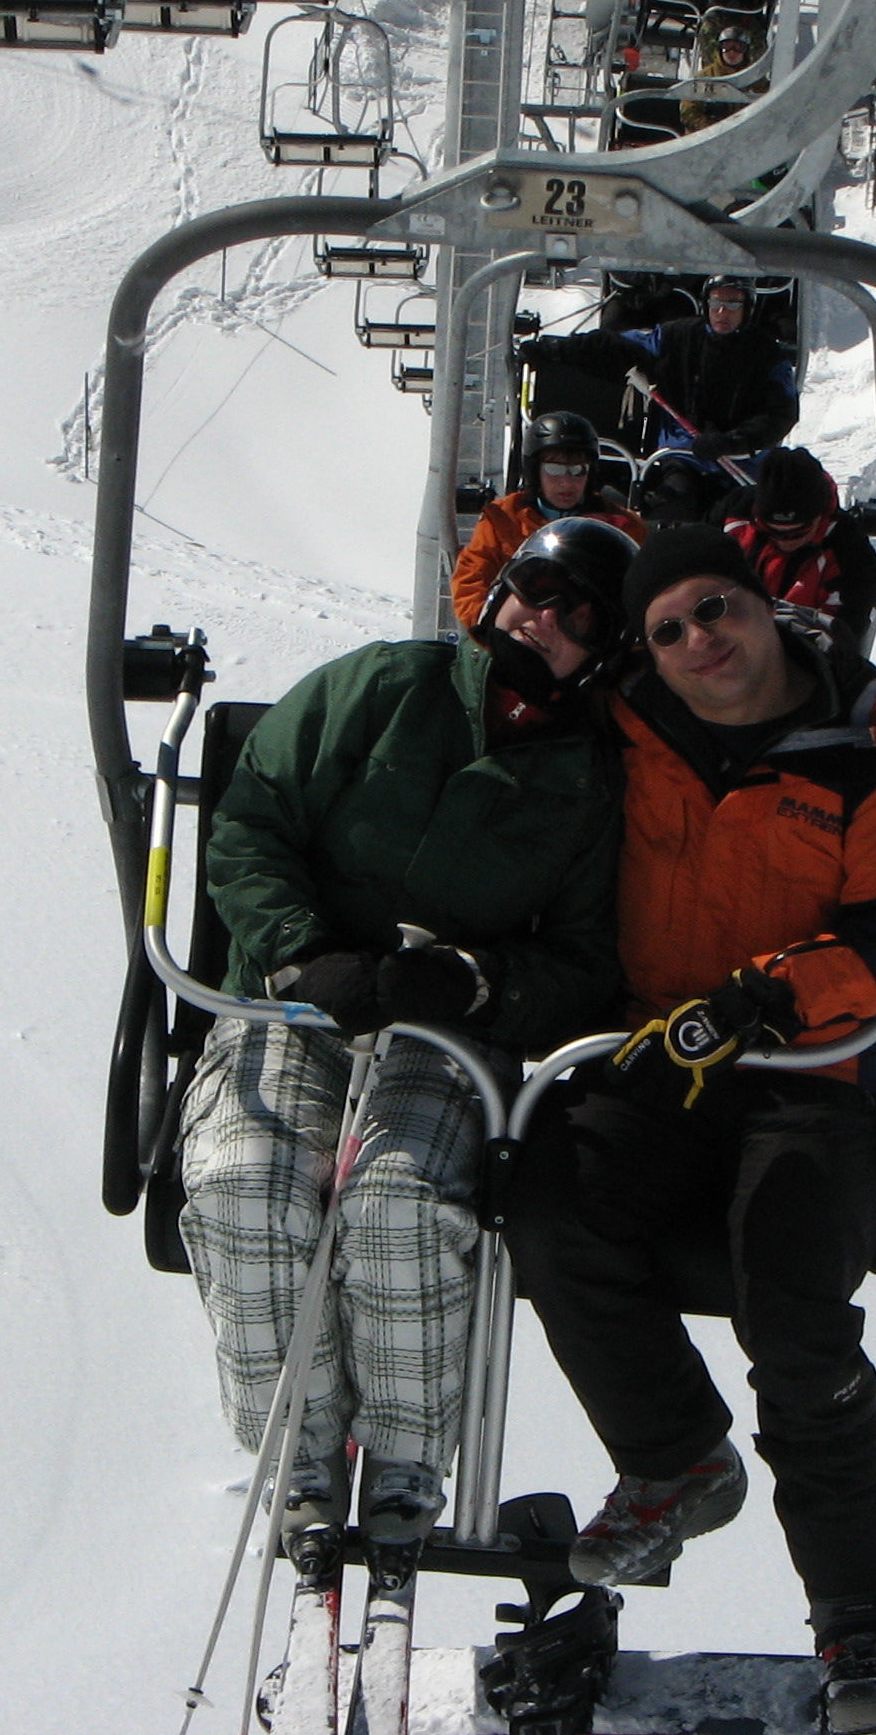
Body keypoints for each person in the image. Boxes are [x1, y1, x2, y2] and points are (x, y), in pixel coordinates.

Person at [508, 524, 876, 1734]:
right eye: (667, 630)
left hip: (799, 1071)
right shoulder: (625, 728)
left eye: (714, 609)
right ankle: (673, 1456)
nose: (698, 641)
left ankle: (863, 1616)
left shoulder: (874, 762)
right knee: (548, 1213)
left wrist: (769, 998)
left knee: (795, 1315)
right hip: (653, 1057)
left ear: (766, 608)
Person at [178, 517, 639, 1565]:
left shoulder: (587, 780)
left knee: (398, 1204)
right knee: (245, 1183)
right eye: (533, 590)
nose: (543, 620)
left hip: (443, 1040)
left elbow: (584, 963)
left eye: (576, 617)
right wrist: (300, 953)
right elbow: (250, 820)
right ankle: (299, 1450)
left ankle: (403, 1460)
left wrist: (475, 982)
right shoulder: (386, 687)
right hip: (296, 1010)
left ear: (601, 651)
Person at [517, 276, 799, 518]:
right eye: (716, 302)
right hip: (684, 458)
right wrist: (552, 350)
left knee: (740, 516)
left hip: (741, 465)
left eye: (733, 304)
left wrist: (736, 441)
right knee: (671, 505)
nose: (722, 312)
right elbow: (613, 346)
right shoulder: (678, 337)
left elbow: (781, 412)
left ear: (747, 309)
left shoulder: (767, 356)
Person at [452, 411, 646, 635]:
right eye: (554, 470)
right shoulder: (503, 519)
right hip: (519, 633)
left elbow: (644, 592)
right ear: (535, 470)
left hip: (587, 639)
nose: (566, 483)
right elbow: (471, 580)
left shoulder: (622, 527)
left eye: (578, 470)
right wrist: (493, 631)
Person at [725, 445, 876, 652]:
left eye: (798, 532)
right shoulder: (735, 517)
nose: (786, 542)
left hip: (798, 653)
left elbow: (842, 634)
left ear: (819, 517)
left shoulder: (848, 552)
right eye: (774, 532)